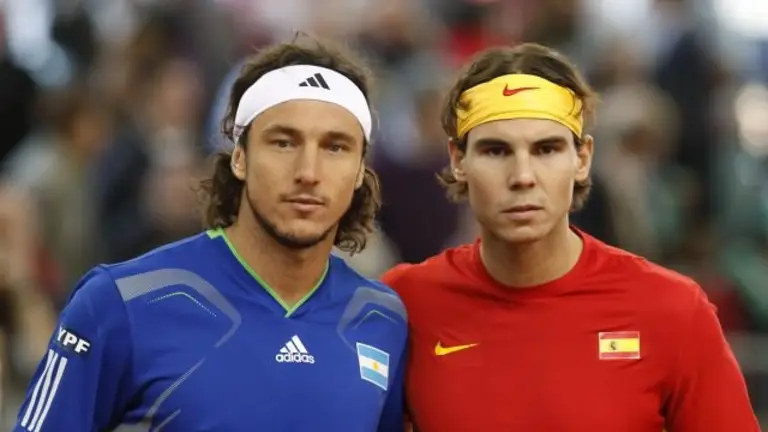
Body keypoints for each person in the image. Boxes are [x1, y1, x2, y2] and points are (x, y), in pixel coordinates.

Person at [13, 37, 407, 432]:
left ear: (360, 170)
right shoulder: (119, 303)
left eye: (335, 147)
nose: (308, 171)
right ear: (240, 157)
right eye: (284, 142)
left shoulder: (382, 319)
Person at [382, 43, 759, 432]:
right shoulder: (402, 304)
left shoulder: (671, 309)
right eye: (496, 151)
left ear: (582, 159)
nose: (522, 176)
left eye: (546, 149)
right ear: (458, 161)